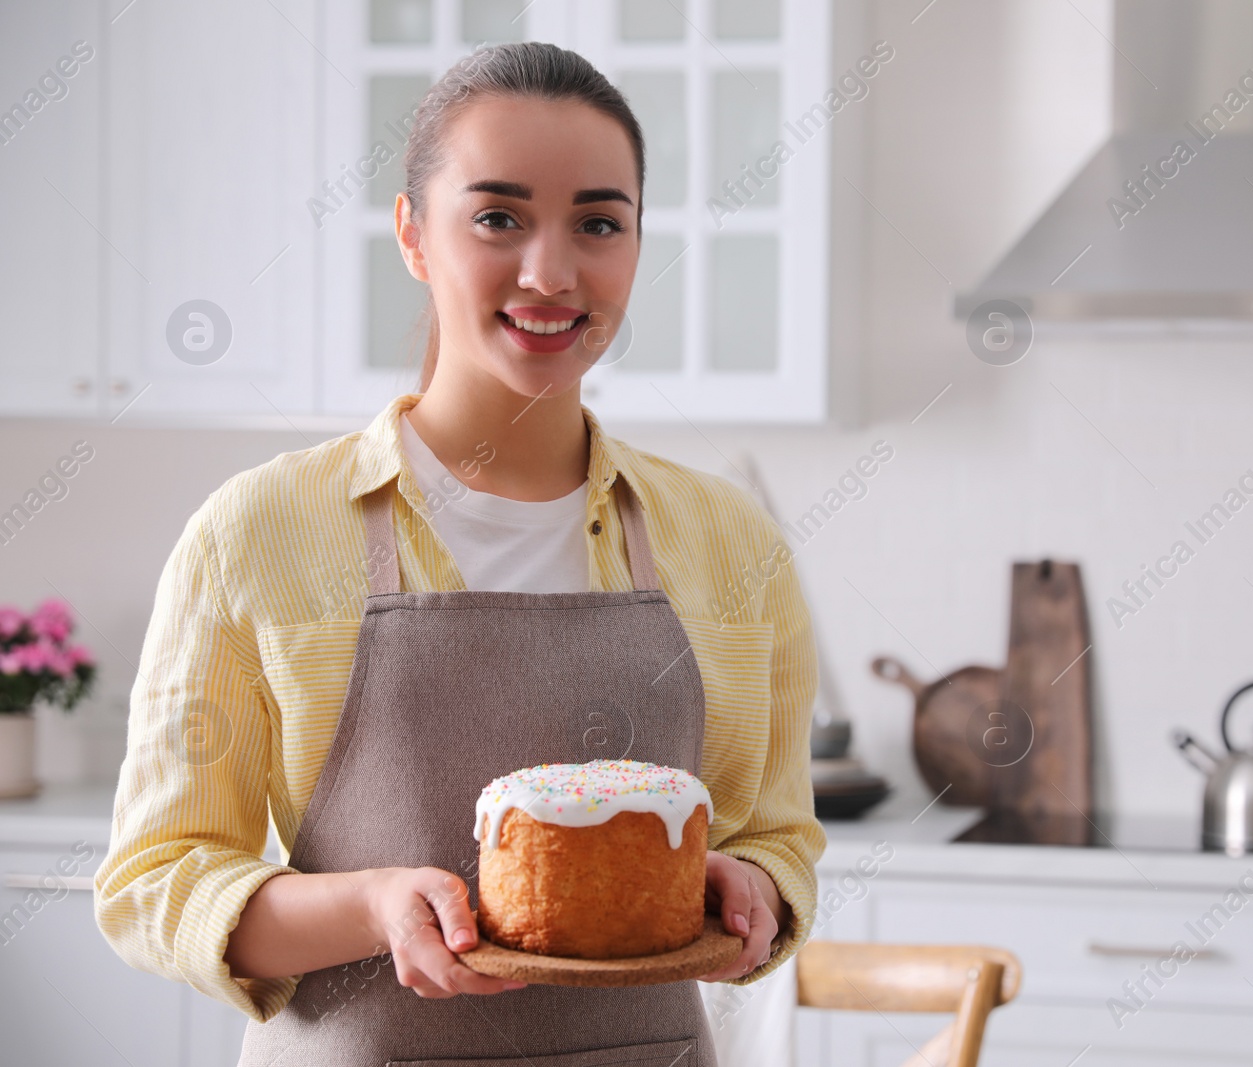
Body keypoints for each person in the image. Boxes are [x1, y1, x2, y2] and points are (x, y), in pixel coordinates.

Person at [93, 41, 824, 1066]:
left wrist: (754, 889)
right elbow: (157, 877)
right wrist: (372, 904)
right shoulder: (258, 531)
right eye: (498, 217)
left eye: (599, 223)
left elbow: (779, 835)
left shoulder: (730, 539)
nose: (551, 271)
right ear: (412, 234)